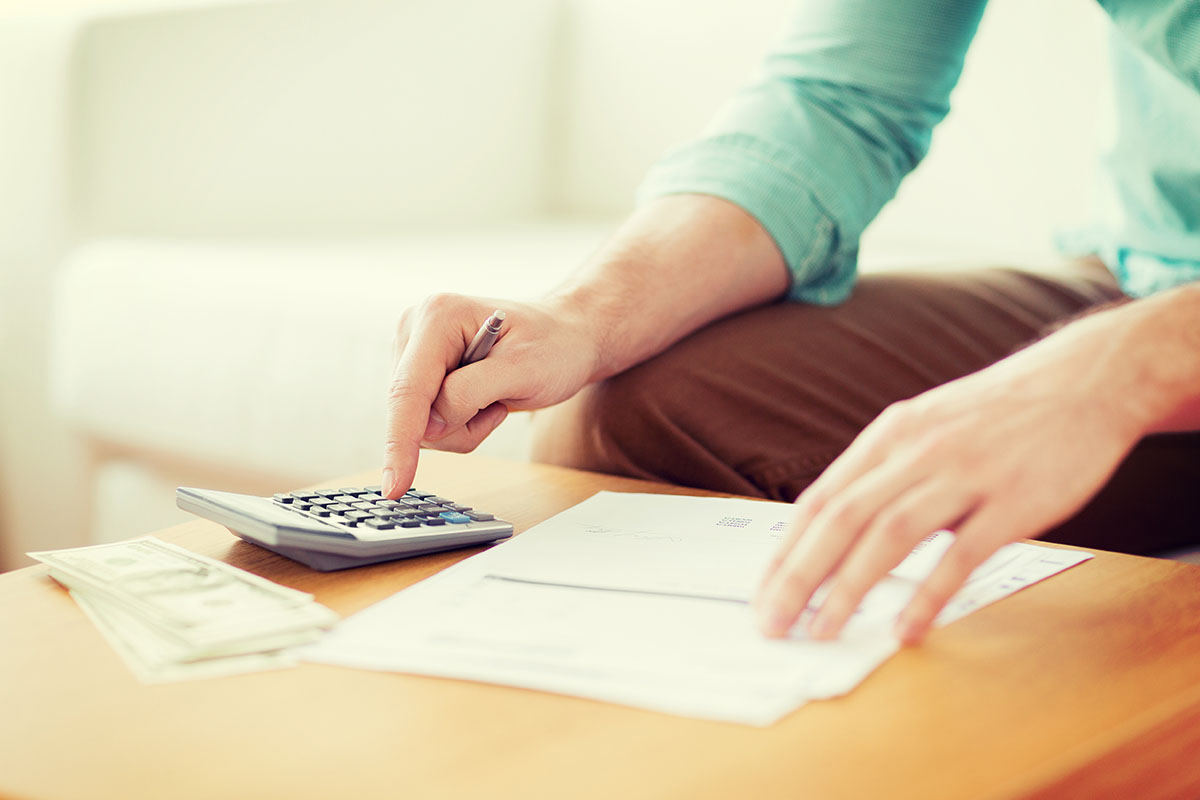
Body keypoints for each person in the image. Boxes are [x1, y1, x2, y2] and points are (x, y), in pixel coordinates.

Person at [381, 1, 1200, 645]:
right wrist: (583, 315)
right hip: (1152, 272)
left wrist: (1125, 367)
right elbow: (840, 102)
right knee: (649, 407)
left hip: (1158, 335)